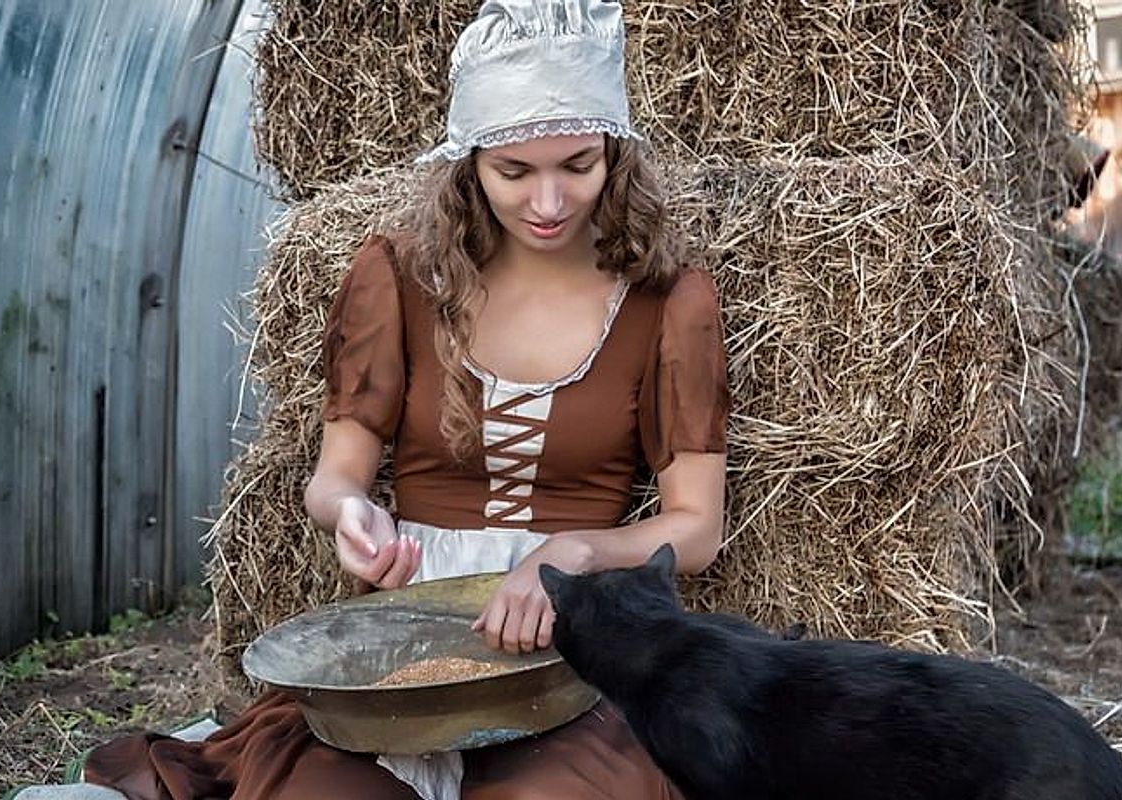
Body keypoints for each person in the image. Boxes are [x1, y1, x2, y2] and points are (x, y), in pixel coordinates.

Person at [84, 0, 728, 797]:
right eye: (514, 172)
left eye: (578, 165)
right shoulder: (397, 276)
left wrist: (576, 552)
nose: (550, 203)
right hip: (400, 636)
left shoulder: (667, 302)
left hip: (577, 641)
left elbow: (697, 527)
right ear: (468, 163)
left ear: (616, 154)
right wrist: (350, 513)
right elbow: (337, 477)